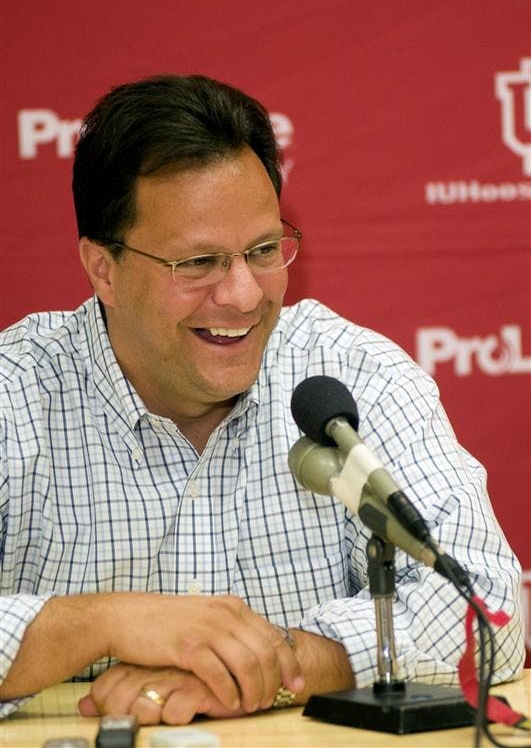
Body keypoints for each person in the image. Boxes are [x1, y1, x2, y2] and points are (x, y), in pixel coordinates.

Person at [0, 74, 524, 726]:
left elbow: (491, 608)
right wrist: (98, 623)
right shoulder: (15, 397)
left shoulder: (355, 376)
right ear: (103, 268)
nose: (245, 296)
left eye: (262, 250)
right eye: (198, 263)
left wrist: (277, 664)